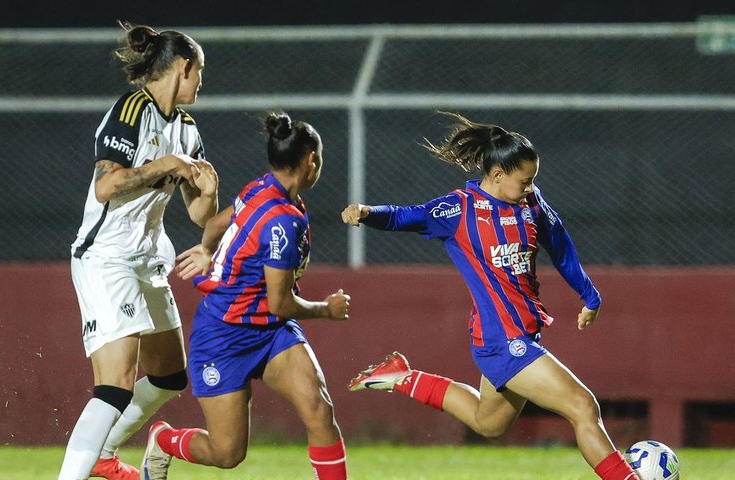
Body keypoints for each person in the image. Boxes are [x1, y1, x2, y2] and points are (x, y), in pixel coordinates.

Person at [341, 112, 639, 480]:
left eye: (533, 181)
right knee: (583, 407)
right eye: (524, 181)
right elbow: (407, 216)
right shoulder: (459, 208)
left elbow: (559, 245)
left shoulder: (531, 203)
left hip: (523, 333)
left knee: (489, 423)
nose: (530, 188)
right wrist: (367, 212)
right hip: (502, 339)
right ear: (498, 176)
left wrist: (589, 295)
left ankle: (401, 377)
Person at [138, 112, 350, 480]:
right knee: (227, 453)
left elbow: (219, 223)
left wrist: (207, 249)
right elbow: (280, 302)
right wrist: (326, 310)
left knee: (318, 409)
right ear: (311, 160)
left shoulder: (262, 187)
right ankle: (165, 441)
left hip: (269, 332)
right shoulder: (285, 219)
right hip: (224, 335)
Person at [59, 21, 219, 480]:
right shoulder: (131, 110)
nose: (201, 83)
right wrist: (163, 165)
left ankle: (104, 455)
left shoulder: (188, 129)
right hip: (106, 259)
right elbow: (107, 185)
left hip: (149, 261)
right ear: (183, 67)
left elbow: (198, 215)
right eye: (199, 72)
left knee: (171, 376)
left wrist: (207, 191)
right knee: (114, 388)